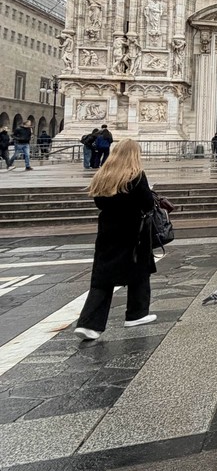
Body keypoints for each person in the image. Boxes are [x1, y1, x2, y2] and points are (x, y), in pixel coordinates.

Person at [72, 138, 157, 340]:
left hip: (108, 231)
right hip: (133, 231)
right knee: (140, 270)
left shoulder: (104, 175)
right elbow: (147, 203)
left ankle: (89, 324)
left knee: (103, 277)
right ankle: (136, 313)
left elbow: (99, 202)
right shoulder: (136, 176)